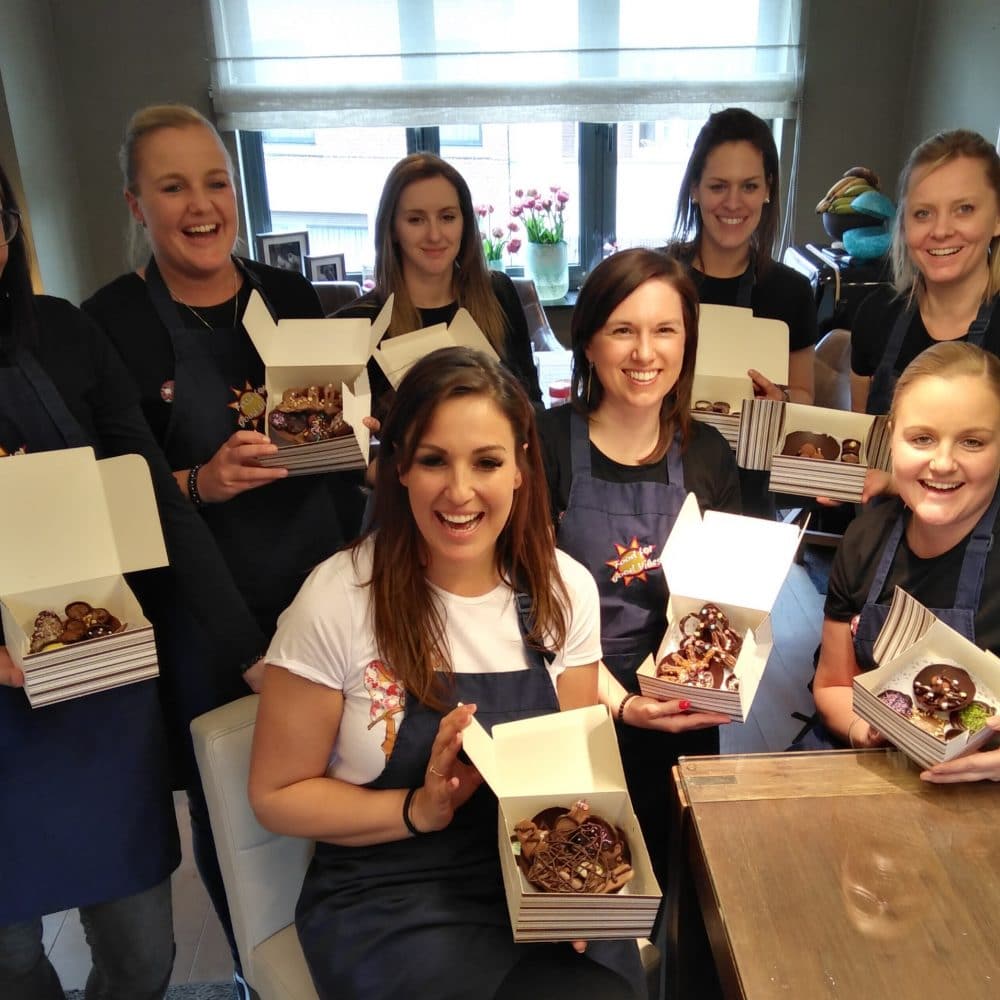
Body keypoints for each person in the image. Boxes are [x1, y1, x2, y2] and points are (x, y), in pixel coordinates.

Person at [249, 347, 643, 1000]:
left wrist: (581, 891)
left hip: (536, 863)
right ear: (401, 466)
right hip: (390, 888)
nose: (459, 492)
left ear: (520, 467)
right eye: (434, 460)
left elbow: (574, 777)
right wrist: (417, 809)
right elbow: (276, 794)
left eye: (486, 462)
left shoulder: (564, 589)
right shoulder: (339, 596)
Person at [81, 103, 356, 995]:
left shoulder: (290, 295)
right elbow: (113, 498)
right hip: (203, 611)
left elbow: (335, 446)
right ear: (136, 204)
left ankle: (344, 958)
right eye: (172, 188)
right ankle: (255, 972)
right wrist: (199, 481)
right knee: (233, 805)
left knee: (345, 774)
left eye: (215, 182)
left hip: (319, 587)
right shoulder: (109, 323)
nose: (201, 206)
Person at [0, 162, 264, 997]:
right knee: (9, 960)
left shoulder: (64, 332)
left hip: (98, 675)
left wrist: (246, 650)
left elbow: (155, 496)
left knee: (143, 951)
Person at [536, 249, 736, 885]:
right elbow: (530, 603)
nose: (645, 352)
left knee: (677, 878)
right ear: (588, 342)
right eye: (623, 329)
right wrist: (620, 704)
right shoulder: (543, 445)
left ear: (687, 342)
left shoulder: (708, 454)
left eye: (665, 330)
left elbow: (728, 605)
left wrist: (704, 680)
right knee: (578, 872)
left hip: (679, 703)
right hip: (569, 700)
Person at [815, 341, 1000, 783]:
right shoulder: (864, 541)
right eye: (922, 438)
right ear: (890, 437)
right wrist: (865, 731)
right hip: (875, 774)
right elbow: (834, 685)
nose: (943, 463)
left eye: (972, 441)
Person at [667, 107, 818, 519]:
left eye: (749, 186)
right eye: (718, 186)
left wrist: (782, 399)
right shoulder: (657, 278)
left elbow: (804, 394)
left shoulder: (791, 291)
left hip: (747, 491)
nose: (733, 203)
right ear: (695, 189)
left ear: (768, 190)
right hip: (659, 479)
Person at [335, 153, 542, 420]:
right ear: (393, 229)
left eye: (447, 217)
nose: (434, 235)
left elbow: (533, 404)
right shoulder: (359, 323)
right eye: (416, 220)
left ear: (464, 223)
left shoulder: (498, 293)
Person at [851, 129, 1000, 416]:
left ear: (997, 219)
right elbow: (859, 436)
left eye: (964, 209)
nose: (941, 231)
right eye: (923, 213)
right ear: (904, 224)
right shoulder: (875, 316)